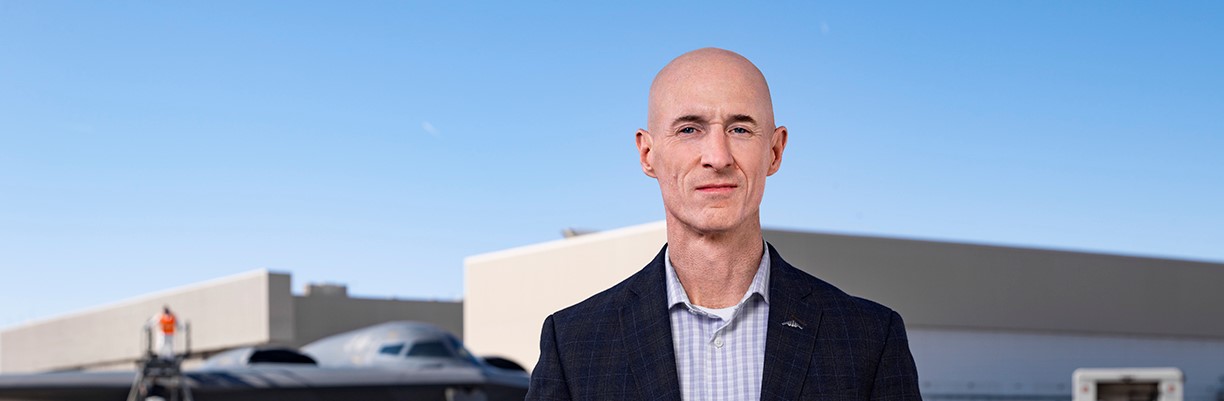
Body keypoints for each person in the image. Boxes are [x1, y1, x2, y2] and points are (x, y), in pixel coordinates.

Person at [525, 48, 921, 400]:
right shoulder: (574, 344)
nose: (718, 156)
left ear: (775, 150)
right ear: (648, 154)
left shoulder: (869, 338)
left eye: (740, 129)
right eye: (689, 129)